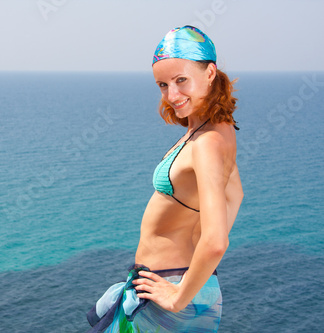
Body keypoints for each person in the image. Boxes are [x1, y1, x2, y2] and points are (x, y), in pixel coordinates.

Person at [86, 25, 244, 332]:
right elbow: (235, 195)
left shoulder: (207, 143)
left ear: (210, 73)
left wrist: (178, 296)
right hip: (175, 281)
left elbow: (216, 242)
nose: (172, 95)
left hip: (170, 293)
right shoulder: (214, 130)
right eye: (162, 84)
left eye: (181, 80)